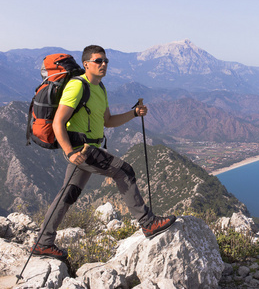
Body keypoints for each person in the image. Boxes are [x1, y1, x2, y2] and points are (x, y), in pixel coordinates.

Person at [32, 45, 176, 260]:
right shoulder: (77, 86)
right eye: (98, 61)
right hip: (82, 148)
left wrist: (134, 113)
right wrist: (70, 152)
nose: (103, 64)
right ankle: (148, 223)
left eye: (106, 61)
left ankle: (43, 243)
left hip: (88, 148)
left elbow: (108, 121)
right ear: (86, 64)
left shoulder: (100, 88)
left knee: (68, 193)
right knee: (124, 172)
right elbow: (58, 123)